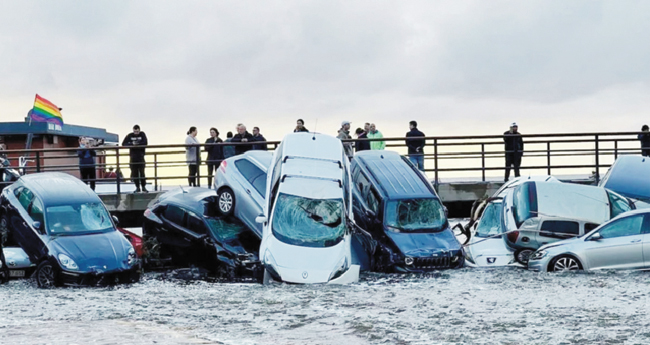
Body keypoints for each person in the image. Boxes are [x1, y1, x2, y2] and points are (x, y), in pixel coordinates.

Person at [122, 124, 148, 193]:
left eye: (137, 132)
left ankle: (143, 187)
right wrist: (132, 145)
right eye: (135, 132)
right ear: (133, 130)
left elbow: (145, 142)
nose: (136, 133)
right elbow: (124, 144)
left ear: (139, 130)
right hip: (133, 157)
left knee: (142, 173)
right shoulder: (130, 135)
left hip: (141, 156)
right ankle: (137, 187)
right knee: (134, 173)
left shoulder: (142, 134)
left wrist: (138, 145)